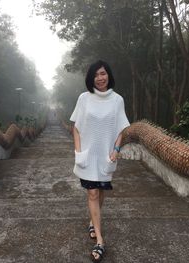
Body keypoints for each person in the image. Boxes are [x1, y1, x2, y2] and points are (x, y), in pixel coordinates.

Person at [70, 60, 130, 262]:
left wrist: (116, 149)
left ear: (108, 75)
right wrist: (78, 151)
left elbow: (121, 127)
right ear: (91, 78)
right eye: (96, 75)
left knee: (101, 191)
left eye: (103, 73)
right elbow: (76, 127)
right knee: (93, 193)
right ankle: (100, 241)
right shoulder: (84, 98)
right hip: (88, 154)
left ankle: (92, 221)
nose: (100, 78)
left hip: (106, 155)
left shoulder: (117, 100)